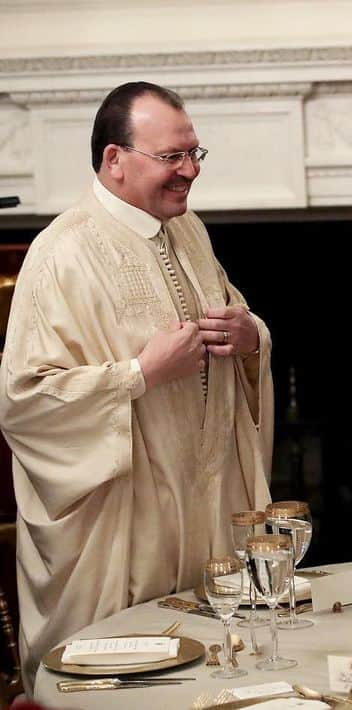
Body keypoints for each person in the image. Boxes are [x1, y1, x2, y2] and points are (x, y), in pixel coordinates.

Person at [0, 82, 273, 691]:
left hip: (205, 509)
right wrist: (139, 375)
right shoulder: (61, 254)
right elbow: (24, 402)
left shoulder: (189, 231)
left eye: (195, 155)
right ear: (113, 160)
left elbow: (234, 322)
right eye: (171, 158)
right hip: (121, 533)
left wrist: (250, 337)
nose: (189, 173)